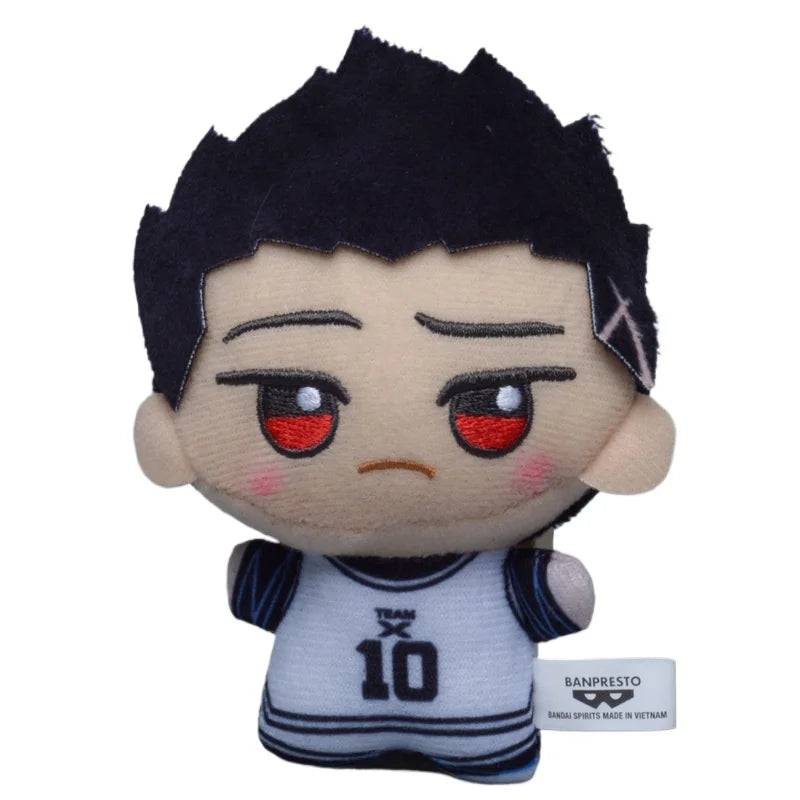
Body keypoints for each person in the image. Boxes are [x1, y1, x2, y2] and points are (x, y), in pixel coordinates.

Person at [133, 28, 674, 783]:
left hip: (471, 731)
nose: (394, 457)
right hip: (302, 738)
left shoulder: (488, 577)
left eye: (494, 409)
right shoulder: (330, 573)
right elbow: (566, 601)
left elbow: (560, 600)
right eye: (297, 410)